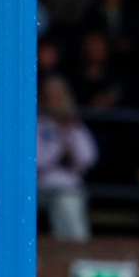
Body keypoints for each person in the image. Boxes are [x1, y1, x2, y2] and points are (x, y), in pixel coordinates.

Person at [36, 75, 97, 241]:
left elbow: (89, 157)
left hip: (72, 186)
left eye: (59, 97)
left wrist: (72, 140)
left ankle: (71, 247)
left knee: (68, 200)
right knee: (65, 201)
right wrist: (58, 152)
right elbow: (36, 160)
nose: (56, 102)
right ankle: (78, 246)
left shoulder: (75, 125)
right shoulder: (38, 125)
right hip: (43, 186)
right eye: (51, 97)